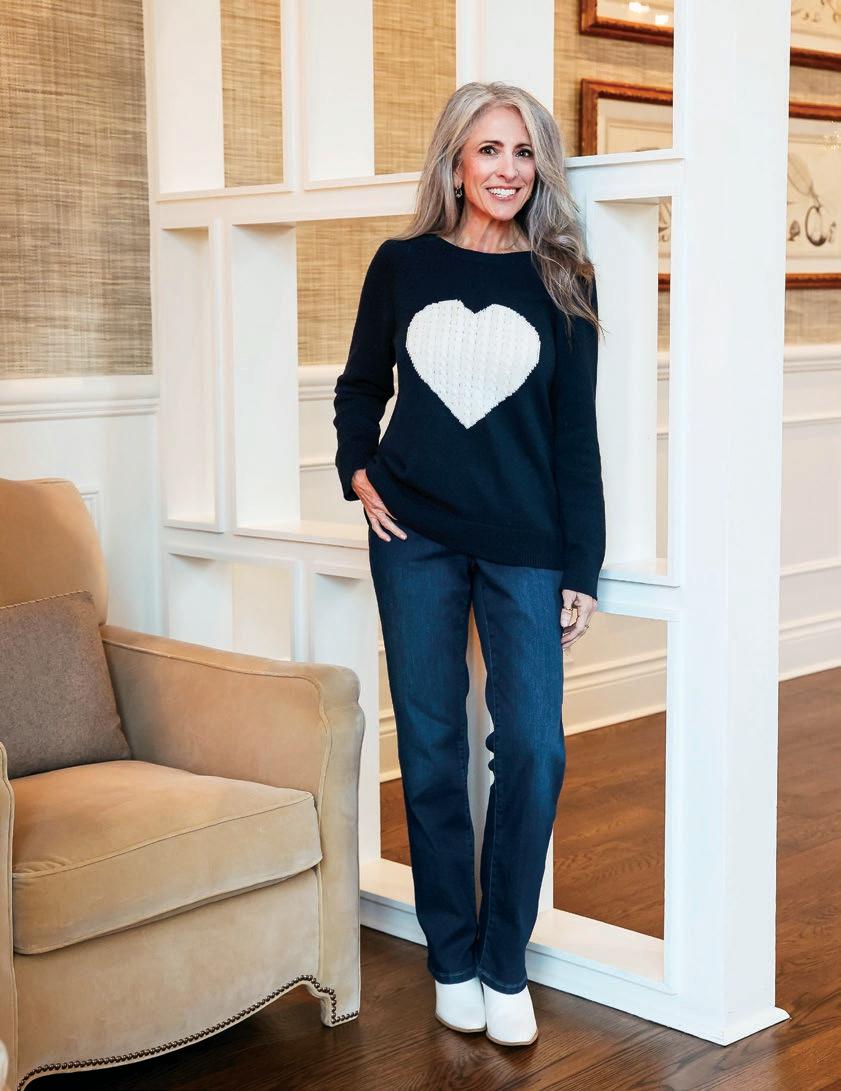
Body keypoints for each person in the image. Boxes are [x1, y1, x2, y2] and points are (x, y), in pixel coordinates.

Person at [332, 80, 605, 1047]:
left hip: (525, 540)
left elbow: (574, 435)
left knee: (533, 746)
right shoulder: (400, 265)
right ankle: (451, 953)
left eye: (524, 152)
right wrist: (356, 468)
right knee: (433, 745)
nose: (507, 169)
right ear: (454, 162)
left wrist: (581, 565)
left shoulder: (564, 277)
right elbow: (359, 385)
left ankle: (502, 959)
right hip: (411, 533)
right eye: (489, 149)